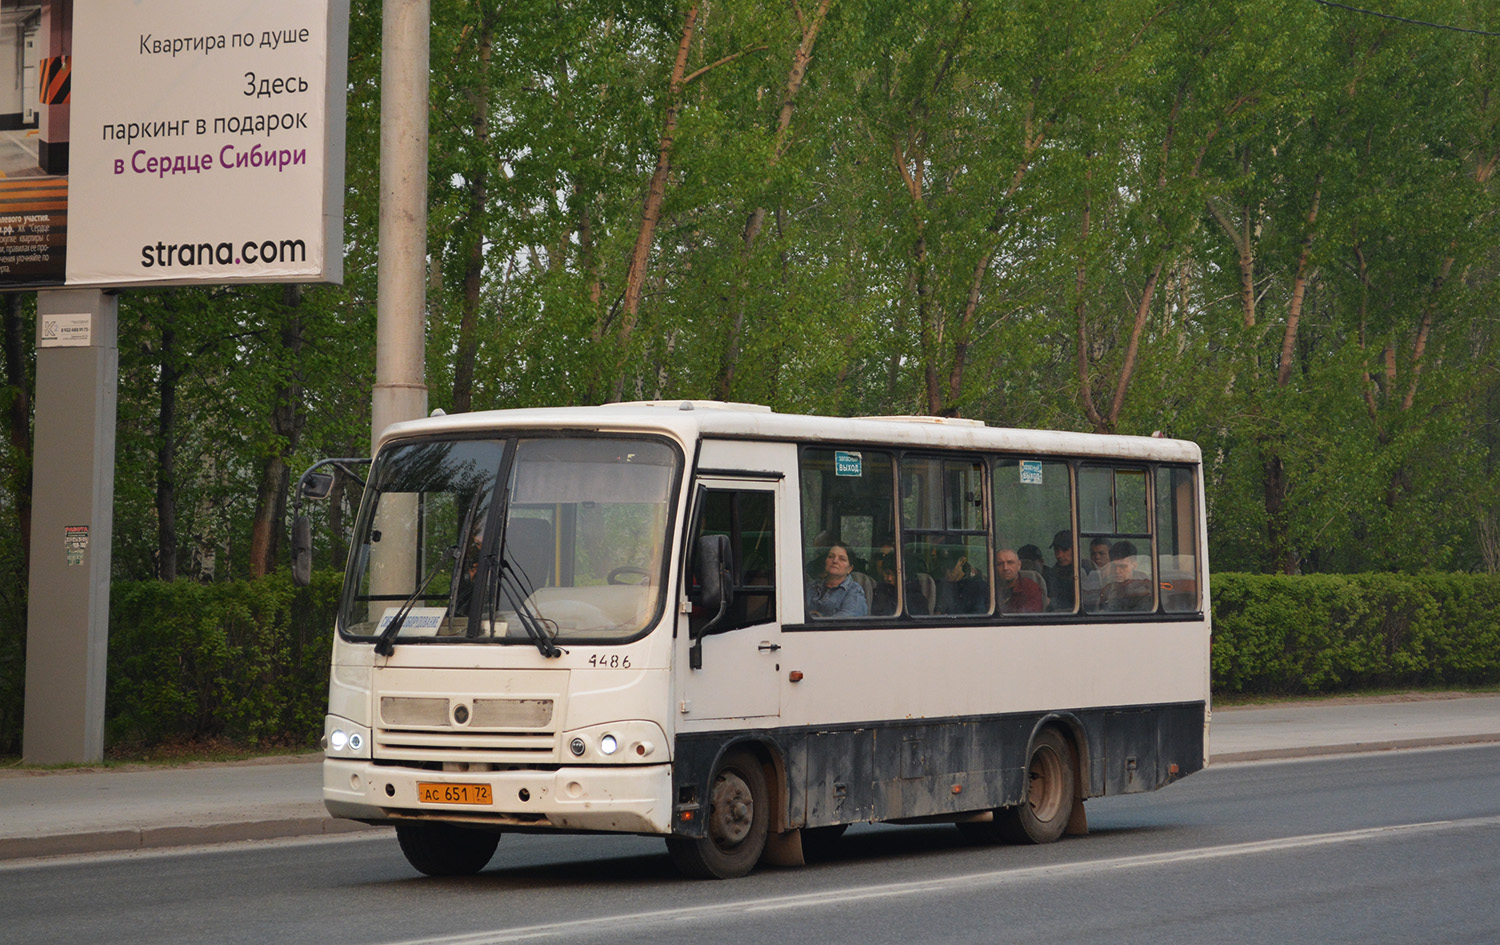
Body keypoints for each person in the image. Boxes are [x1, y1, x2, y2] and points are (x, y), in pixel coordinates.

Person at [806, 544, 869, 618]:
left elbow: (842, 623)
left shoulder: (854, 591)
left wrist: (815, 618)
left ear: (850, 569)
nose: (835, 561)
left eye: (842, 559)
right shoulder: (811, 586)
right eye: (831, 556)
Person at [1100, 539, 1153, 612]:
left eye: (1123, 566)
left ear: (1134, 565)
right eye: (1113, 566)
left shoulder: (1143, 587)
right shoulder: (1107, 584)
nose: (1117, 571)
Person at [934, 546, 987, 614]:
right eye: (943, 567)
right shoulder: (938, 583)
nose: (946, 572)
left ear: (962, 561)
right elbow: (939, 610)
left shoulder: (978, 586)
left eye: (950, 567)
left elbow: (978, 616)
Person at [995, 547, 1045, 613]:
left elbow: (1030, 617)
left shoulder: (1030, 587)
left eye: (1010, 562)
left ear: (1019, 565)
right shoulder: (990, 589)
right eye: (1000, 564)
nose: (1005, 568)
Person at [1043, 530, 1076, 612]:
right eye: (1056, 550)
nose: (1059, 555)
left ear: (1075, 549)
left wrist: (1051, 603)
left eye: (1065, 550)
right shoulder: (1049, 574)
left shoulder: (1083, 572)